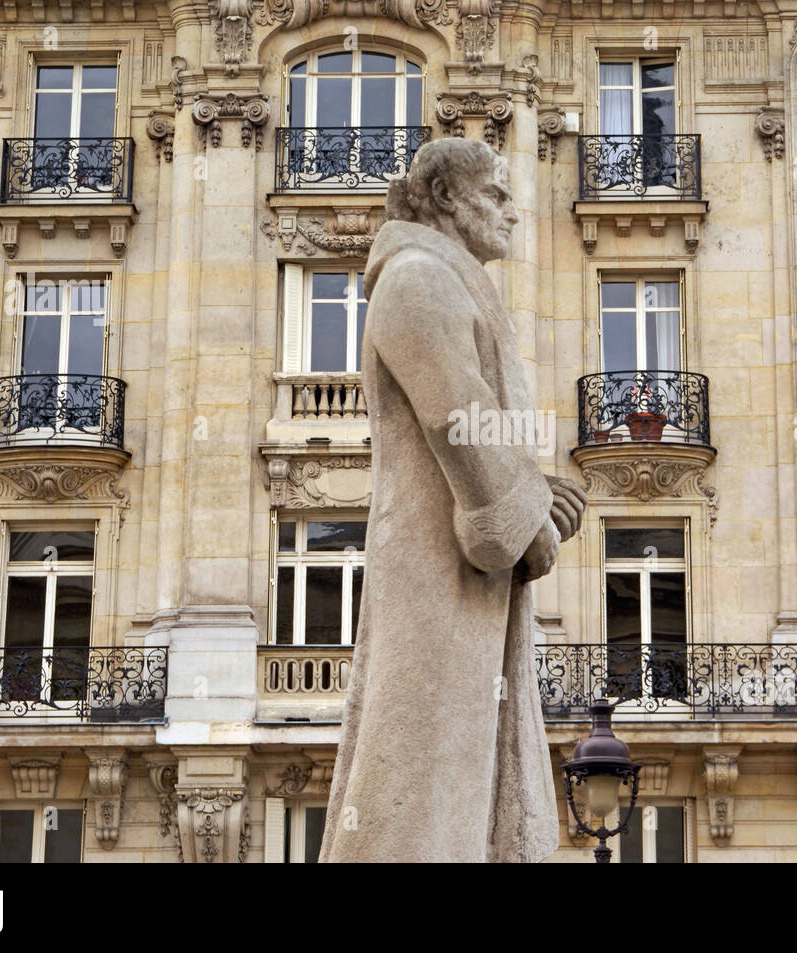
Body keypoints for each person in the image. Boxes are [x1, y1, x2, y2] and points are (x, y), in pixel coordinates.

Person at [319, 138, 587, 862]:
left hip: (456, 579)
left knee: (448, 761)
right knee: (420, 758)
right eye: (496, 194)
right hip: (435, 571)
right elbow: (455, 415)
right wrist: (528, 515)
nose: (512, 212)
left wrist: (534, 496)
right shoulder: (418, 278)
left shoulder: (441, 280)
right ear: (443, 196)